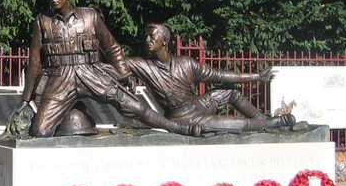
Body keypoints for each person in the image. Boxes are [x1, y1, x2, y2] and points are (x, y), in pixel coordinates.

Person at [15, 0, 199, 138]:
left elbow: (112, 48)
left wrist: (125, 74)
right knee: (40, 131)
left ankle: (178, 127)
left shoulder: (90, 16)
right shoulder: (42, 21)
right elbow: (34, 62)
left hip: (90, 73)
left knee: (134, 106)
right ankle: (74, 112)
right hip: (60, 79)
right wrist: (26, 99)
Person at [127, 23, 296, 133]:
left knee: (231, 92)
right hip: (184, 118)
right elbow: (118, 63)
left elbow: (219, 75)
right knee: (237, 124)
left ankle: (262, 119)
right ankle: (269, 125)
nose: (147, 39)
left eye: (152, 36)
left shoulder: (185, 63)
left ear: (164, 40)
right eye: (146, 36)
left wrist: (257, 76)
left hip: (198, 105)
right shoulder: (143, 65)